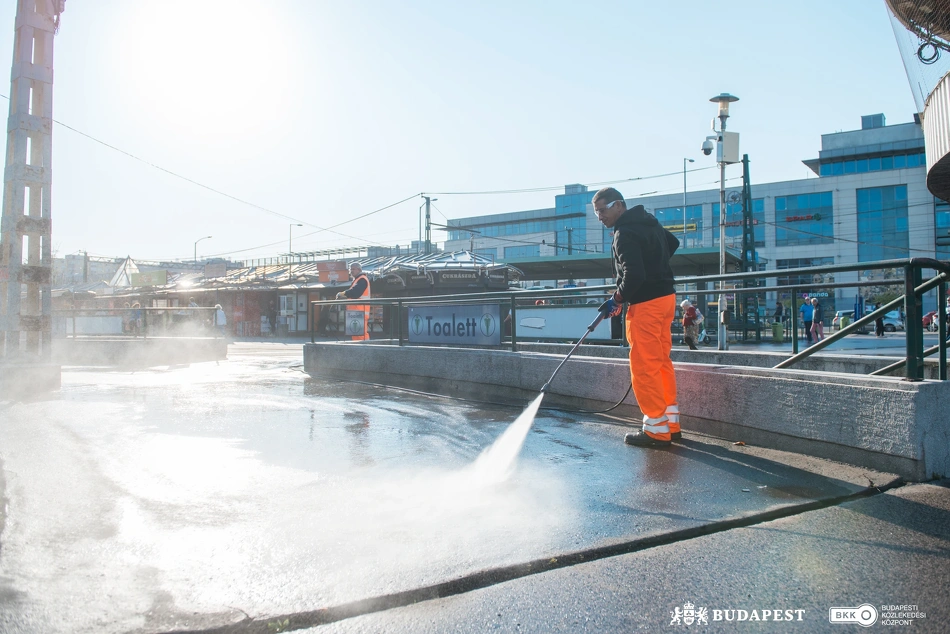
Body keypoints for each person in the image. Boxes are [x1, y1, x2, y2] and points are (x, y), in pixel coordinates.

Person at [594, 187, 680, 448]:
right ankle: (671, 424)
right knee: (661, 361)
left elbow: (634, 276)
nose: (599, 217)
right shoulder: (648, 222)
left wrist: (618, 299)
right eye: (596, 212)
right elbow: (672, 243)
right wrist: (656, 268)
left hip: (646, 305)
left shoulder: (624, 233)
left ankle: (656, 430)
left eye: (602, 210)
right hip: (666, 299)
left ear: (618, 205)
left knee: (644, 366)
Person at [336, 262, 371, 341]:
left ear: (359, 269)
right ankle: (361, 349)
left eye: (353, 269)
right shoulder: (358, 280)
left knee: (360, 334)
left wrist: (344, 293)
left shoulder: (362, 279)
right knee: (357, 334)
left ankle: (366, 350)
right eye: (350, 269)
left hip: (360, 311)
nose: (351, 271)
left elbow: (355, 292)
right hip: (356, 312)